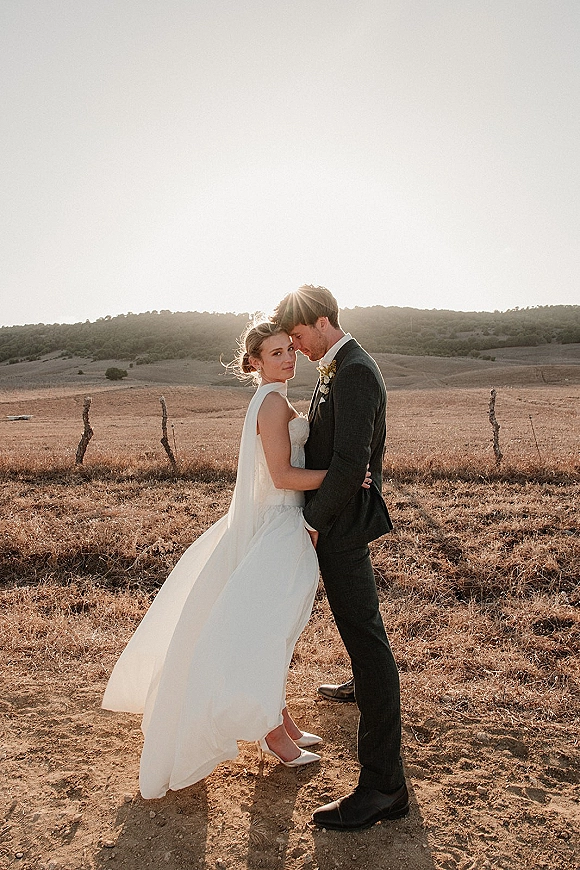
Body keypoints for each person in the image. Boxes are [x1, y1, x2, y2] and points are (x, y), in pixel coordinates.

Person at [102, 321, 355, 798]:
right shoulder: (274, 402)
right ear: (255, 363)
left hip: (275, 521)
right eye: (276, 353)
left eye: (289, 350)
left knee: (271, 629)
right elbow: (282, 476)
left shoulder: (270, 398)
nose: (288, 358)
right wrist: (343, 477)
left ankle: (280, 721)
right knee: (268, 632)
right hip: (278, 525)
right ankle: (275, 736)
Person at [272, 285, 408, 831]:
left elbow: (353, 460)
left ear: (322, 321)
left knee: (367, 639)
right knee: (360, 630)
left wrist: (311, 520)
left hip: (342, 526)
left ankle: (383, 787)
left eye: (300, 336)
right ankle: (360, 684)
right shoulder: (335, 365)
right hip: (339, 517)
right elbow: (344, 452)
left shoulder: (353, 370)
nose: (297, 347)